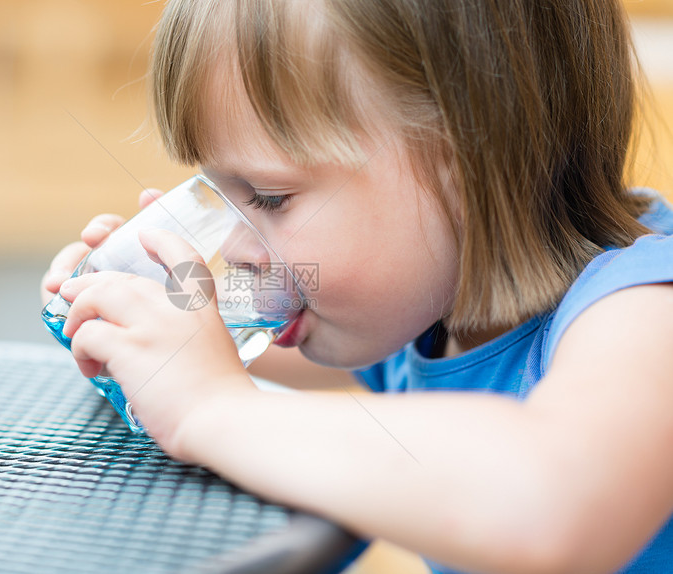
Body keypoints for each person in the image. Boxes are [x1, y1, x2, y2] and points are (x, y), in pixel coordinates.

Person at [40, 1, 673, 572]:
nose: (232, 247)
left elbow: (555, 506)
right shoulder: (424, 300)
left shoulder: (644, 311)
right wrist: (155, 326)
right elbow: (246, 352)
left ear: (463, 164)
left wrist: (215, 408)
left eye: (270, 197)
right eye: (219, 194)